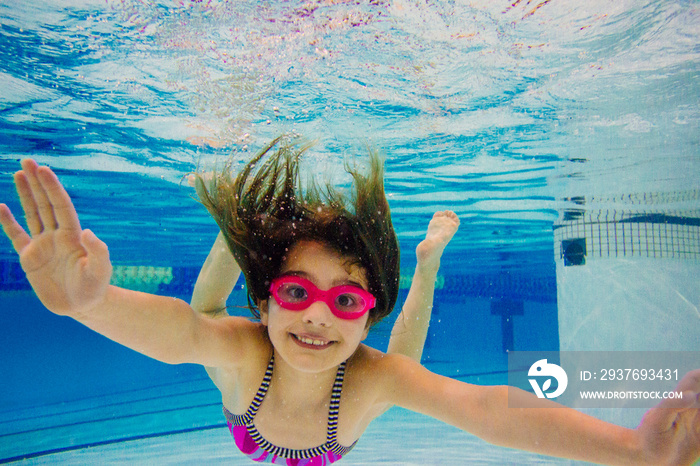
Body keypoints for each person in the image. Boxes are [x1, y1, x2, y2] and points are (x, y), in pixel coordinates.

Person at [1, 139, 698, 466]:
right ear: (268, 303)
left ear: (368, 312)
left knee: (399, 372)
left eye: (347, 300)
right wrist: (87, 305)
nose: (316, 316)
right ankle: (238, 233)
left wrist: (635, 450)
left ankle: (422, 270)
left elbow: (486, 410)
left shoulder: (365, 369)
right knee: (208, 316)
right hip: (251, 387)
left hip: (346, 406)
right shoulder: (247, 350)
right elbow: (180, 333)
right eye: (296, 293)